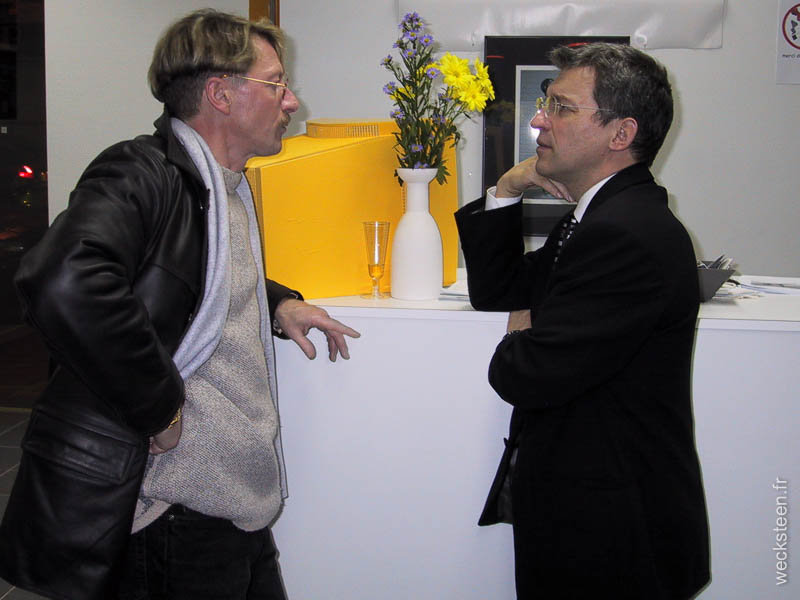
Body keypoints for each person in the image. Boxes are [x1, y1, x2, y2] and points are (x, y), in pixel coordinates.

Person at [0, 9, 360, 600]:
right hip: (175, 510)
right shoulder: (143, 171)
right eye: (276, 83)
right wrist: (160, 409)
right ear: (220, 94)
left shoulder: (219, 184)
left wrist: (275, 304)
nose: (292, 100)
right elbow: (63, 279)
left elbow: (191, 277)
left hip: (227, 506)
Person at [455, 43, 710, 599]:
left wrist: (523, 329)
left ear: (621, 133)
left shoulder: (624, 233)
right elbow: (501, 290)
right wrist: (507, 189)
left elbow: (524, 372)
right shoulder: (601, 216)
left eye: (561, 107)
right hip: (592, 518)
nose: (539, 120)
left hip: (612, 534)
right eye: (546, 103)